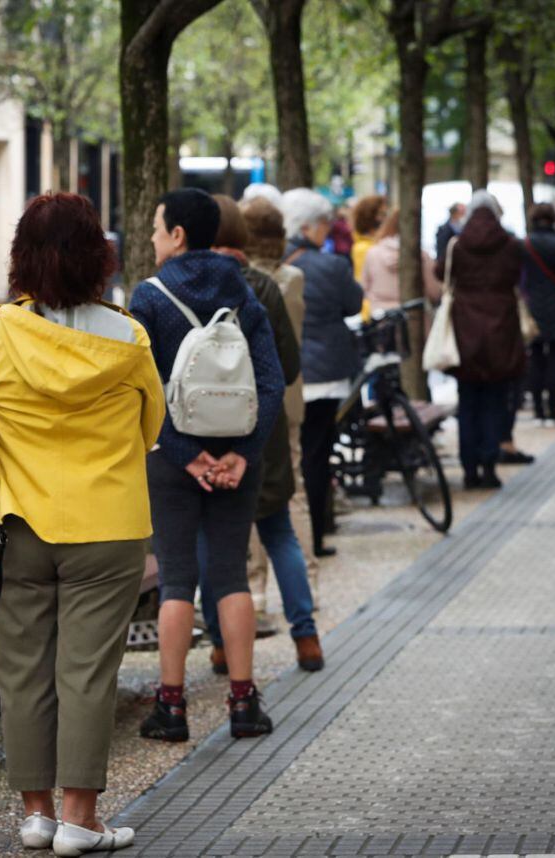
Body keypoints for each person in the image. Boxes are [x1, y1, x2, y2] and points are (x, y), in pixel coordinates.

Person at [0, 193, 165, 856]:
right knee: (87, 672)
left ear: (22, 258)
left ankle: (37, 815)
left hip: (19, 525)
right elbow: (151, 427)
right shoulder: (129, 338)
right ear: (99, 259)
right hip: (108, 526)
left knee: (21, 670)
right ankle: (82, 820)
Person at [131, 188, 284, 743]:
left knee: (176, 580)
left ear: (177, 235)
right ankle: (244, 703)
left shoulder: (147, 297)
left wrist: (184, 455)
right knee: (230, 575)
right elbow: (269, 382)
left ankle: (171, 709)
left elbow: (140, 392)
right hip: (237, 457)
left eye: (155, 228)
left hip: (174, 463)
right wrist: (240, 457)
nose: (151, 238)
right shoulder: (242, 290)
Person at [200, 195, 322, 675]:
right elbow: (288, 366)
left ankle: (219, 643)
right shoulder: (264, 288)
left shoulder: (185, 288)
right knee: (280, 532)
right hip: (261, 430)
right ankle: (306, 636)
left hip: (205, 435)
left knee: (212, 543)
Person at [240, 196, 319, 596]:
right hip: (290, 395)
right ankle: (309, 578)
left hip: (252, 396)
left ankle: (254, 587)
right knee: (295, 488)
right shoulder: (293, 278)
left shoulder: (244, 282)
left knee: (251, 494)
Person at [280, 188, 364, 557]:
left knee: (288, 456)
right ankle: (314, 535)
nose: (328, 232)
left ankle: (287, 536)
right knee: (317, 456)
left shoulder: (275, 264)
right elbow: (353, 303)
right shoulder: (332, 266)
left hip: (288, 372)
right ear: (309, 226)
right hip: (326, 375)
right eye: (325, 225)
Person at [435, 190, 525, 490]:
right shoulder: (511, 245)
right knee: (496, 400)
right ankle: (489, 465)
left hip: (466, 331)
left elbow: (441, 274)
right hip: (501, 330)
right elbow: (515, 277)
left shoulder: (457, 246)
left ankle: (469, 468)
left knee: (469, 402)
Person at [521, 203, 555, 425]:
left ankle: (537, 410)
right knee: (554, 358)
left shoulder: (525, 244)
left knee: (535, 358)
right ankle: (553, 409)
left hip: (532, 306)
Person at [361, 208, 442, 314]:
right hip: (414, 317)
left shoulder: (372, 253)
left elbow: (364, 288)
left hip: (381, 317)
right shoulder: (421, 256)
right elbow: (434, 292)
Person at [350, 194, 388, 281]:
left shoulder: (375, 242)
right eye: (382, 214)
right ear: (369, 216)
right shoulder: (363, 248)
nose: (385, 219)